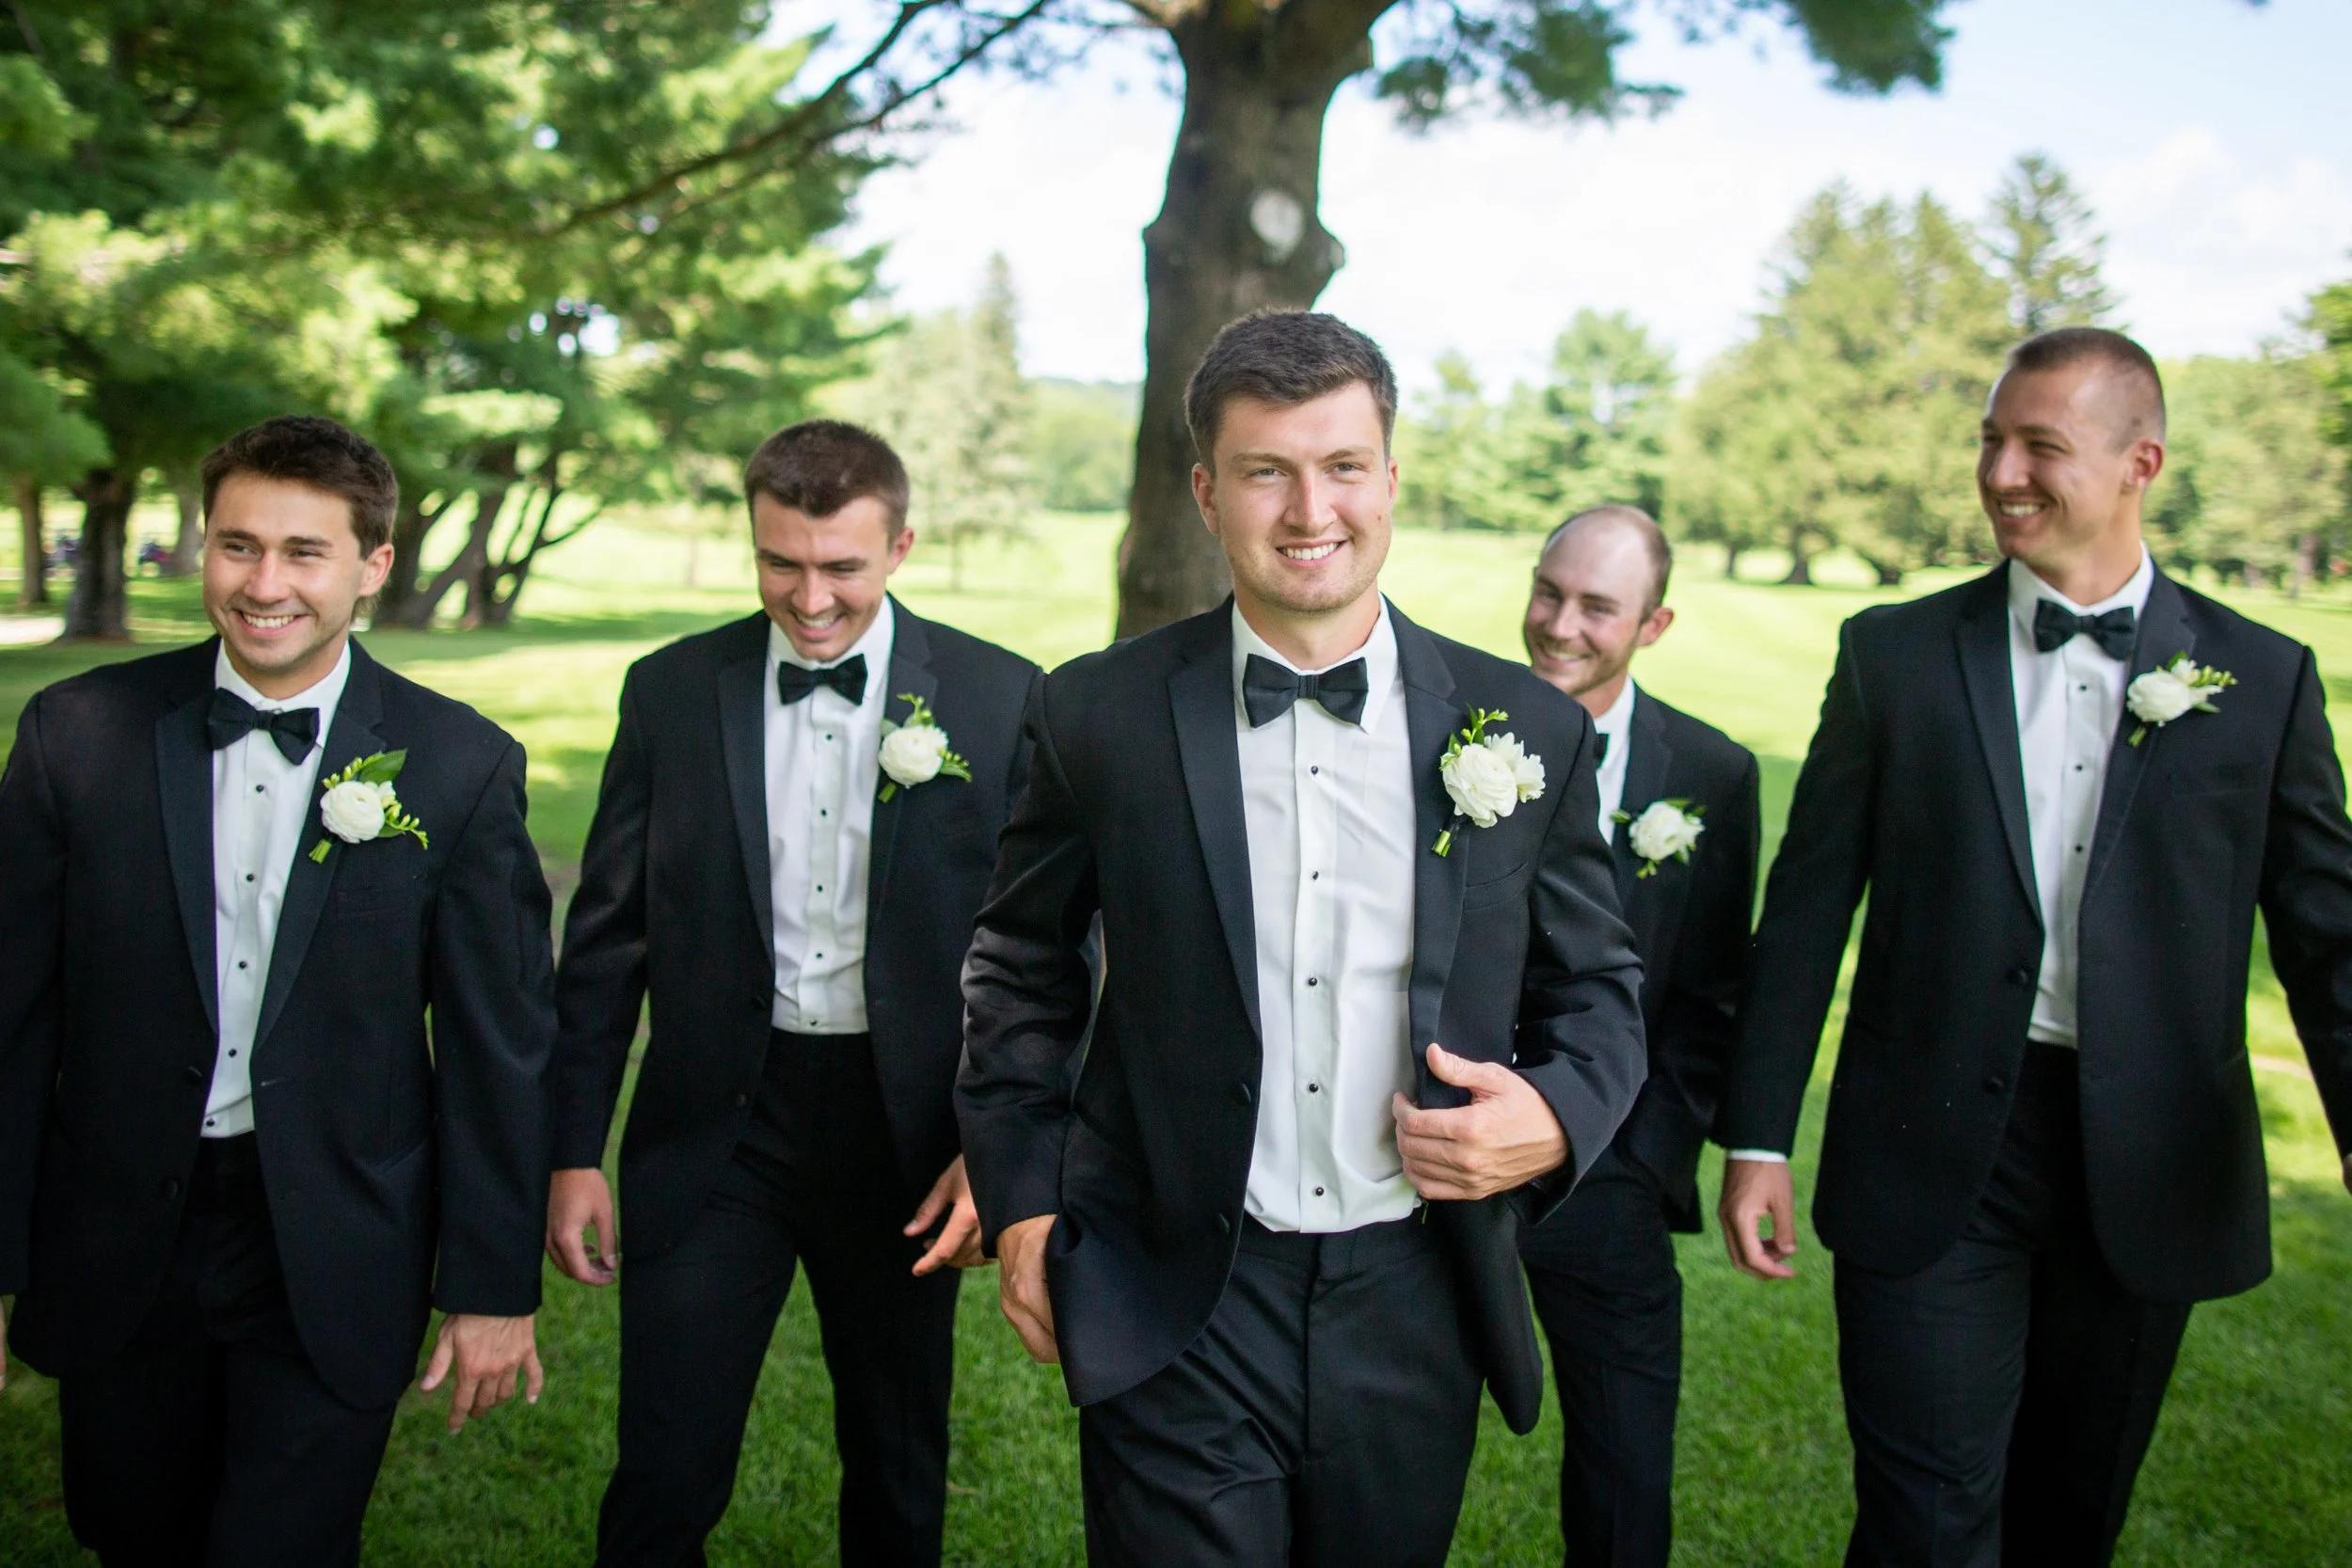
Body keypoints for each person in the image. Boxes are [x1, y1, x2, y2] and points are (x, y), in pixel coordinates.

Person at [956, 310, 1647, 1567]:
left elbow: (1597, 984)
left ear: (1390, 479)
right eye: (1267, 469)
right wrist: (1020, 1202)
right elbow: (1019, 966)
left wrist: (1552, 1117)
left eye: (1340, 465)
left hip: (1417, 1292)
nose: (1308, 507)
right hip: (1176, 1287)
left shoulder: (1527, 727)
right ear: (1210, 491)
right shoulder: (1094, 712)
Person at [1717, 326, 2352, 1567]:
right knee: (1926, 1521)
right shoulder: (1892, 654)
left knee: (2074, 1515)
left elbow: (2329, 936)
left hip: (2151, 1156)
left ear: (2139, 462)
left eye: (2040, 445)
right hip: (1930, 1136)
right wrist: (1756, 1135)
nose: (2001, 469)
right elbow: (1805, 908)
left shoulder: (2264, 677)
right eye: (1991, 439)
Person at [0, 415, 556, 1563]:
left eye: (304, 552)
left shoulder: (460, 764)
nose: (265, 584)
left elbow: (498, 1044)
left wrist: (494, 1282)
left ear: (372, 566)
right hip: (119, 1225)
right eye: (237, 545)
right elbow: (12, 1017)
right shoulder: (77, 733)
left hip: (337, 1229)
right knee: (128, 1526)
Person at [546, 420, 1042, 1567]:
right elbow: (606, 939)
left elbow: (1045, 943)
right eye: (781, 562)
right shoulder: (670, 690)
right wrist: (574, 1148)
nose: (809, 597)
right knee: (665, 1462)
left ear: (901, 544)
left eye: (841, 568)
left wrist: (998, 1139)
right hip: (719, 1122)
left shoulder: (997, 694)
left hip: (905, 1131)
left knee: (897, 1454)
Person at [1515, 506, 1760, 1567]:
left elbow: (1710, 992)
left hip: (1608, 1167)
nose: (1560, 624)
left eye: (1597, 606)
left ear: (1652, 625)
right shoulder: (1450, 721)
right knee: (1379, 1444)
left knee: (1623, 1474)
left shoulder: (1710, 771)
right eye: (1548, 591)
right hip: (1429, 1160)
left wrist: (1647, 1152)